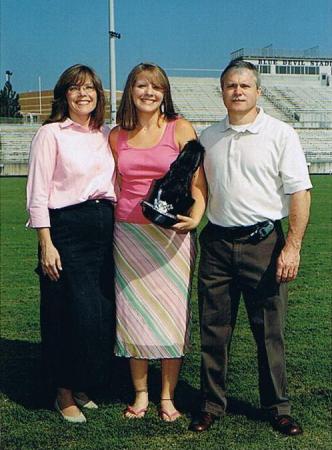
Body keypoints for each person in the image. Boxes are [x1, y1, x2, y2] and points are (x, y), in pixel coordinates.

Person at [189, 59, 312, 435]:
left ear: (258, 91)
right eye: (230, 85)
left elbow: (300, 192)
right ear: (222, 91)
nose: (238, 91)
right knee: (213, 331)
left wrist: (292, 247)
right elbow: (201, 189)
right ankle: (211, 405)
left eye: (245, 85)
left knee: (269, 332)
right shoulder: (208, 137)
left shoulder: (281, 134)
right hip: (217, 245)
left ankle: (278, 407)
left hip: (265, 244)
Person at [109, 63, 207, 421]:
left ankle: (167, 396)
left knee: (171, 313)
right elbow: (114, 185)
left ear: (165, 93)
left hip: (172, 236)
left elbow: (197, 182)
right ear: (130, 91)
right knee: (133, 313)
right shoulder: (116, 135)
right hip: (129, 234)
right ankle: (140, 394)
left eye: (156, 87)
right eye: (141, 85)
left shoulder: (179, 128)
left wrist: (195, 217)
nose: (149, 93)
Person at [26, 64, 117, 423]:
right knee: (65, 314)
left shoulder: (105, 133)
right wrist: (46, 243)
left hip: (104, 229)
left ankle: (82, 383)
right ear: (64, 94)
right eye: (76, 88)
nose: (84, 94)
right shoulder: (51, 134)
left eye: (90, 88)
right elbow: (38, 193)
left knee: (96, 316)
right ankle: (62, 392)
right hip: (65, 230)